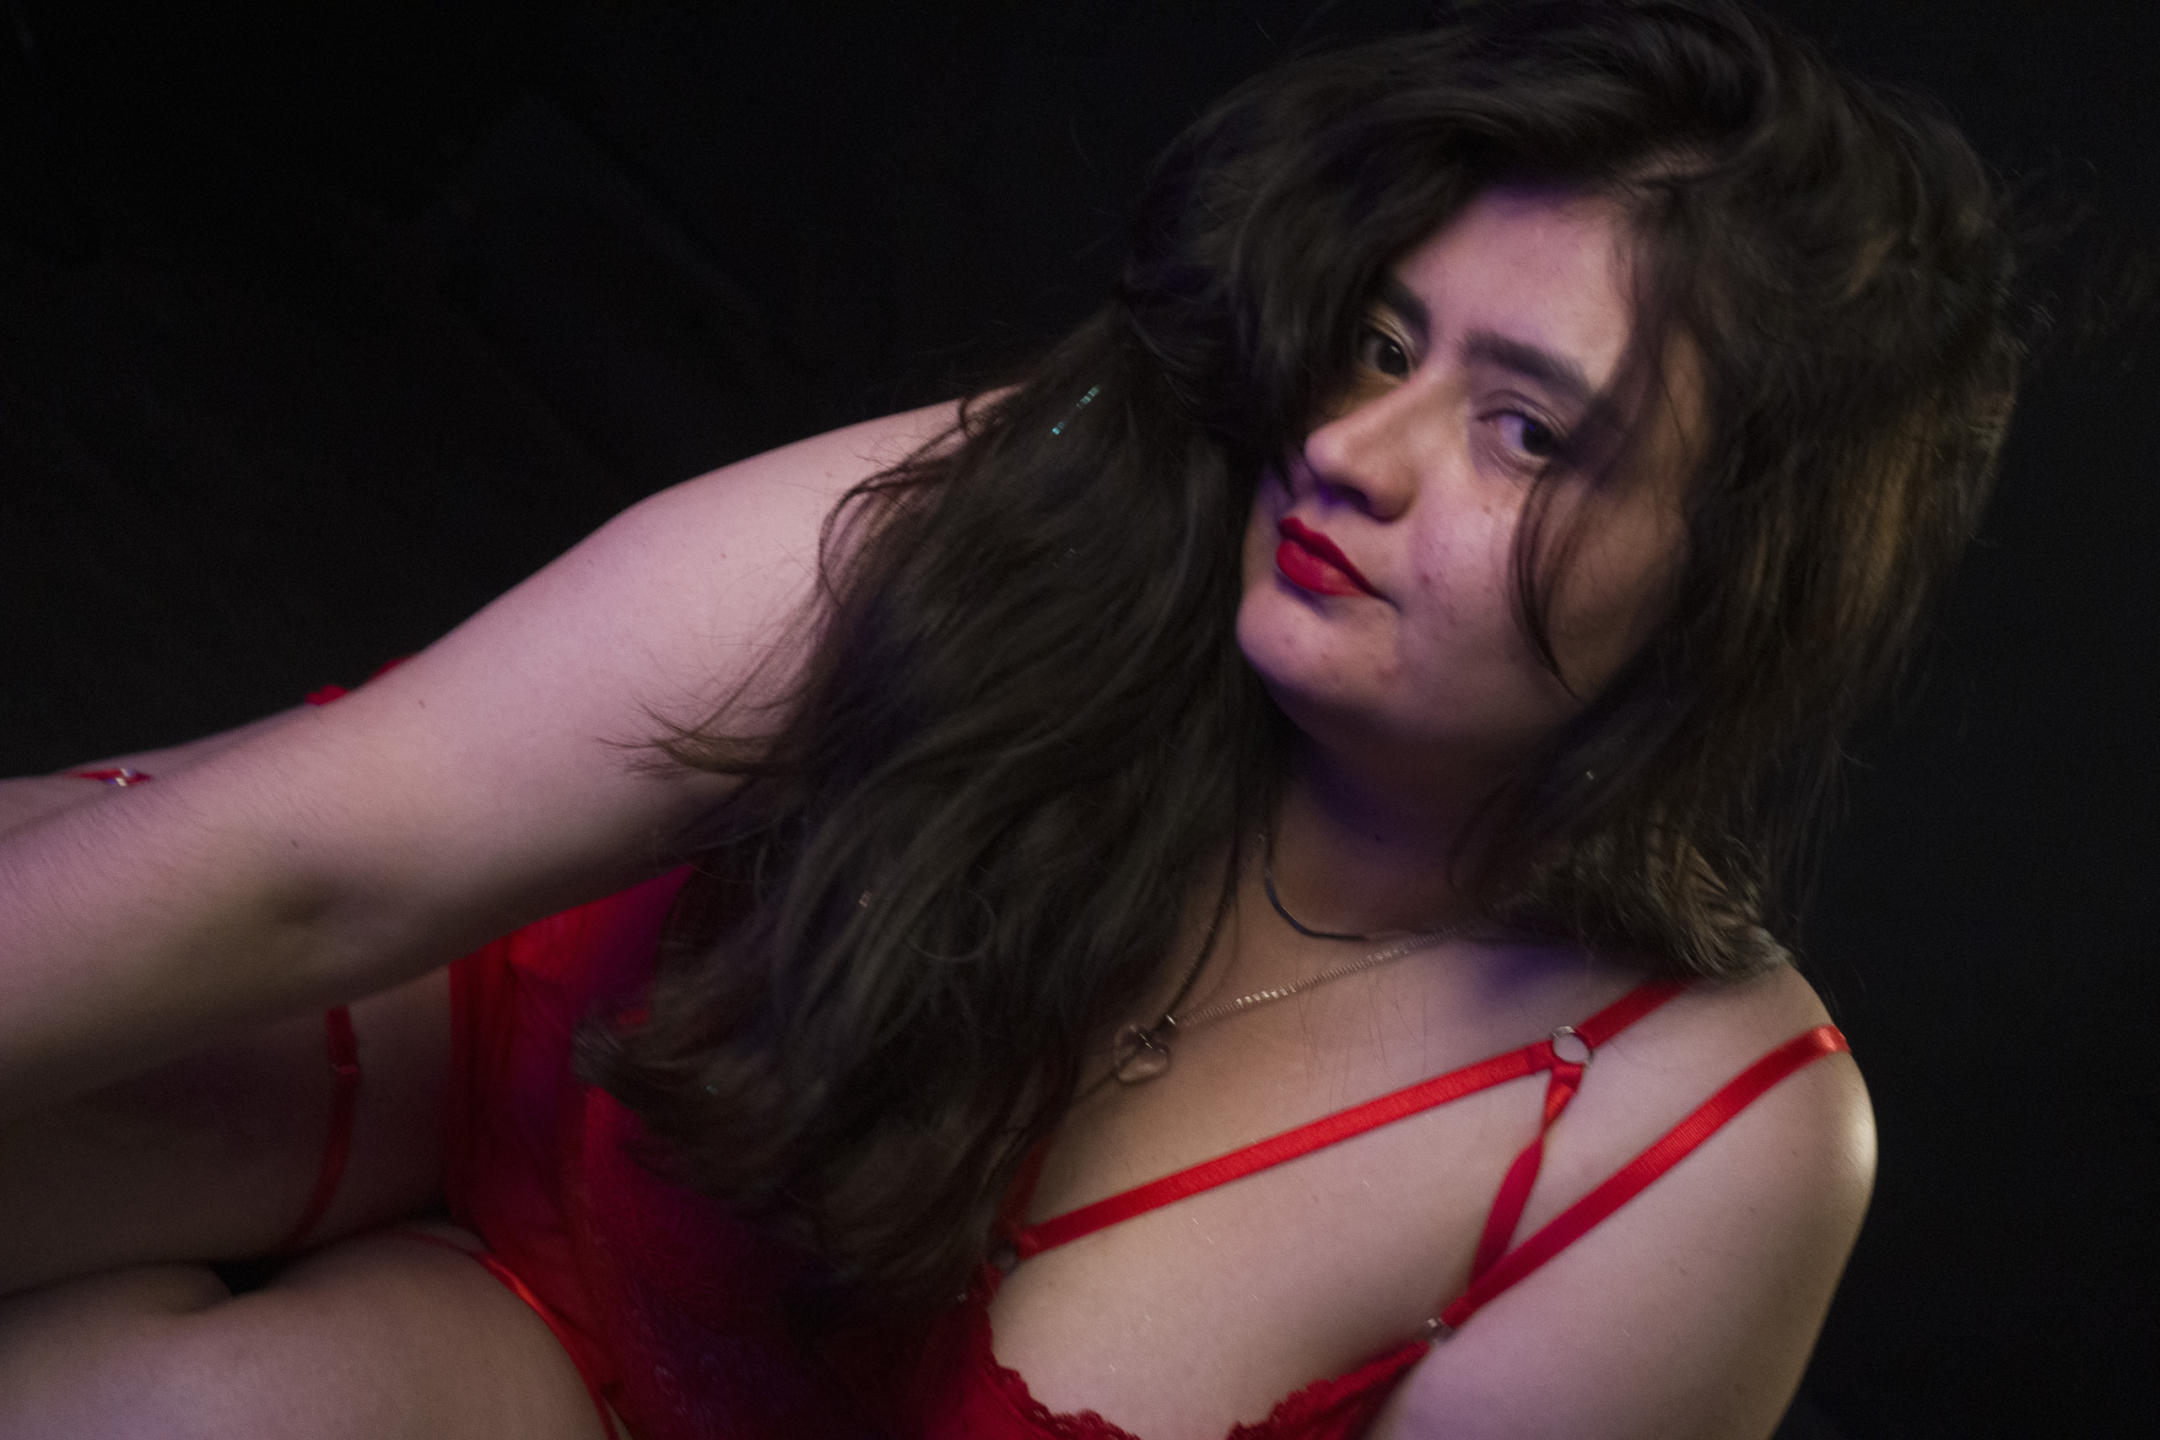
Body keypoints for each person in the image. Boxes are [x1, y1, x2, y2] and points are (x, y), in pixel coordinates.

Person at [0, 1, 2023, 1436]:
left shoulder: (1703, 1146)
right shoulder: (1086, 496)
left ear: (1737, 575)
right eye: (1381, 340)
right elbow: (321, 855)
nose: (1350, 446)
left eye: (1525, 430)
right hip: (487, 1045)